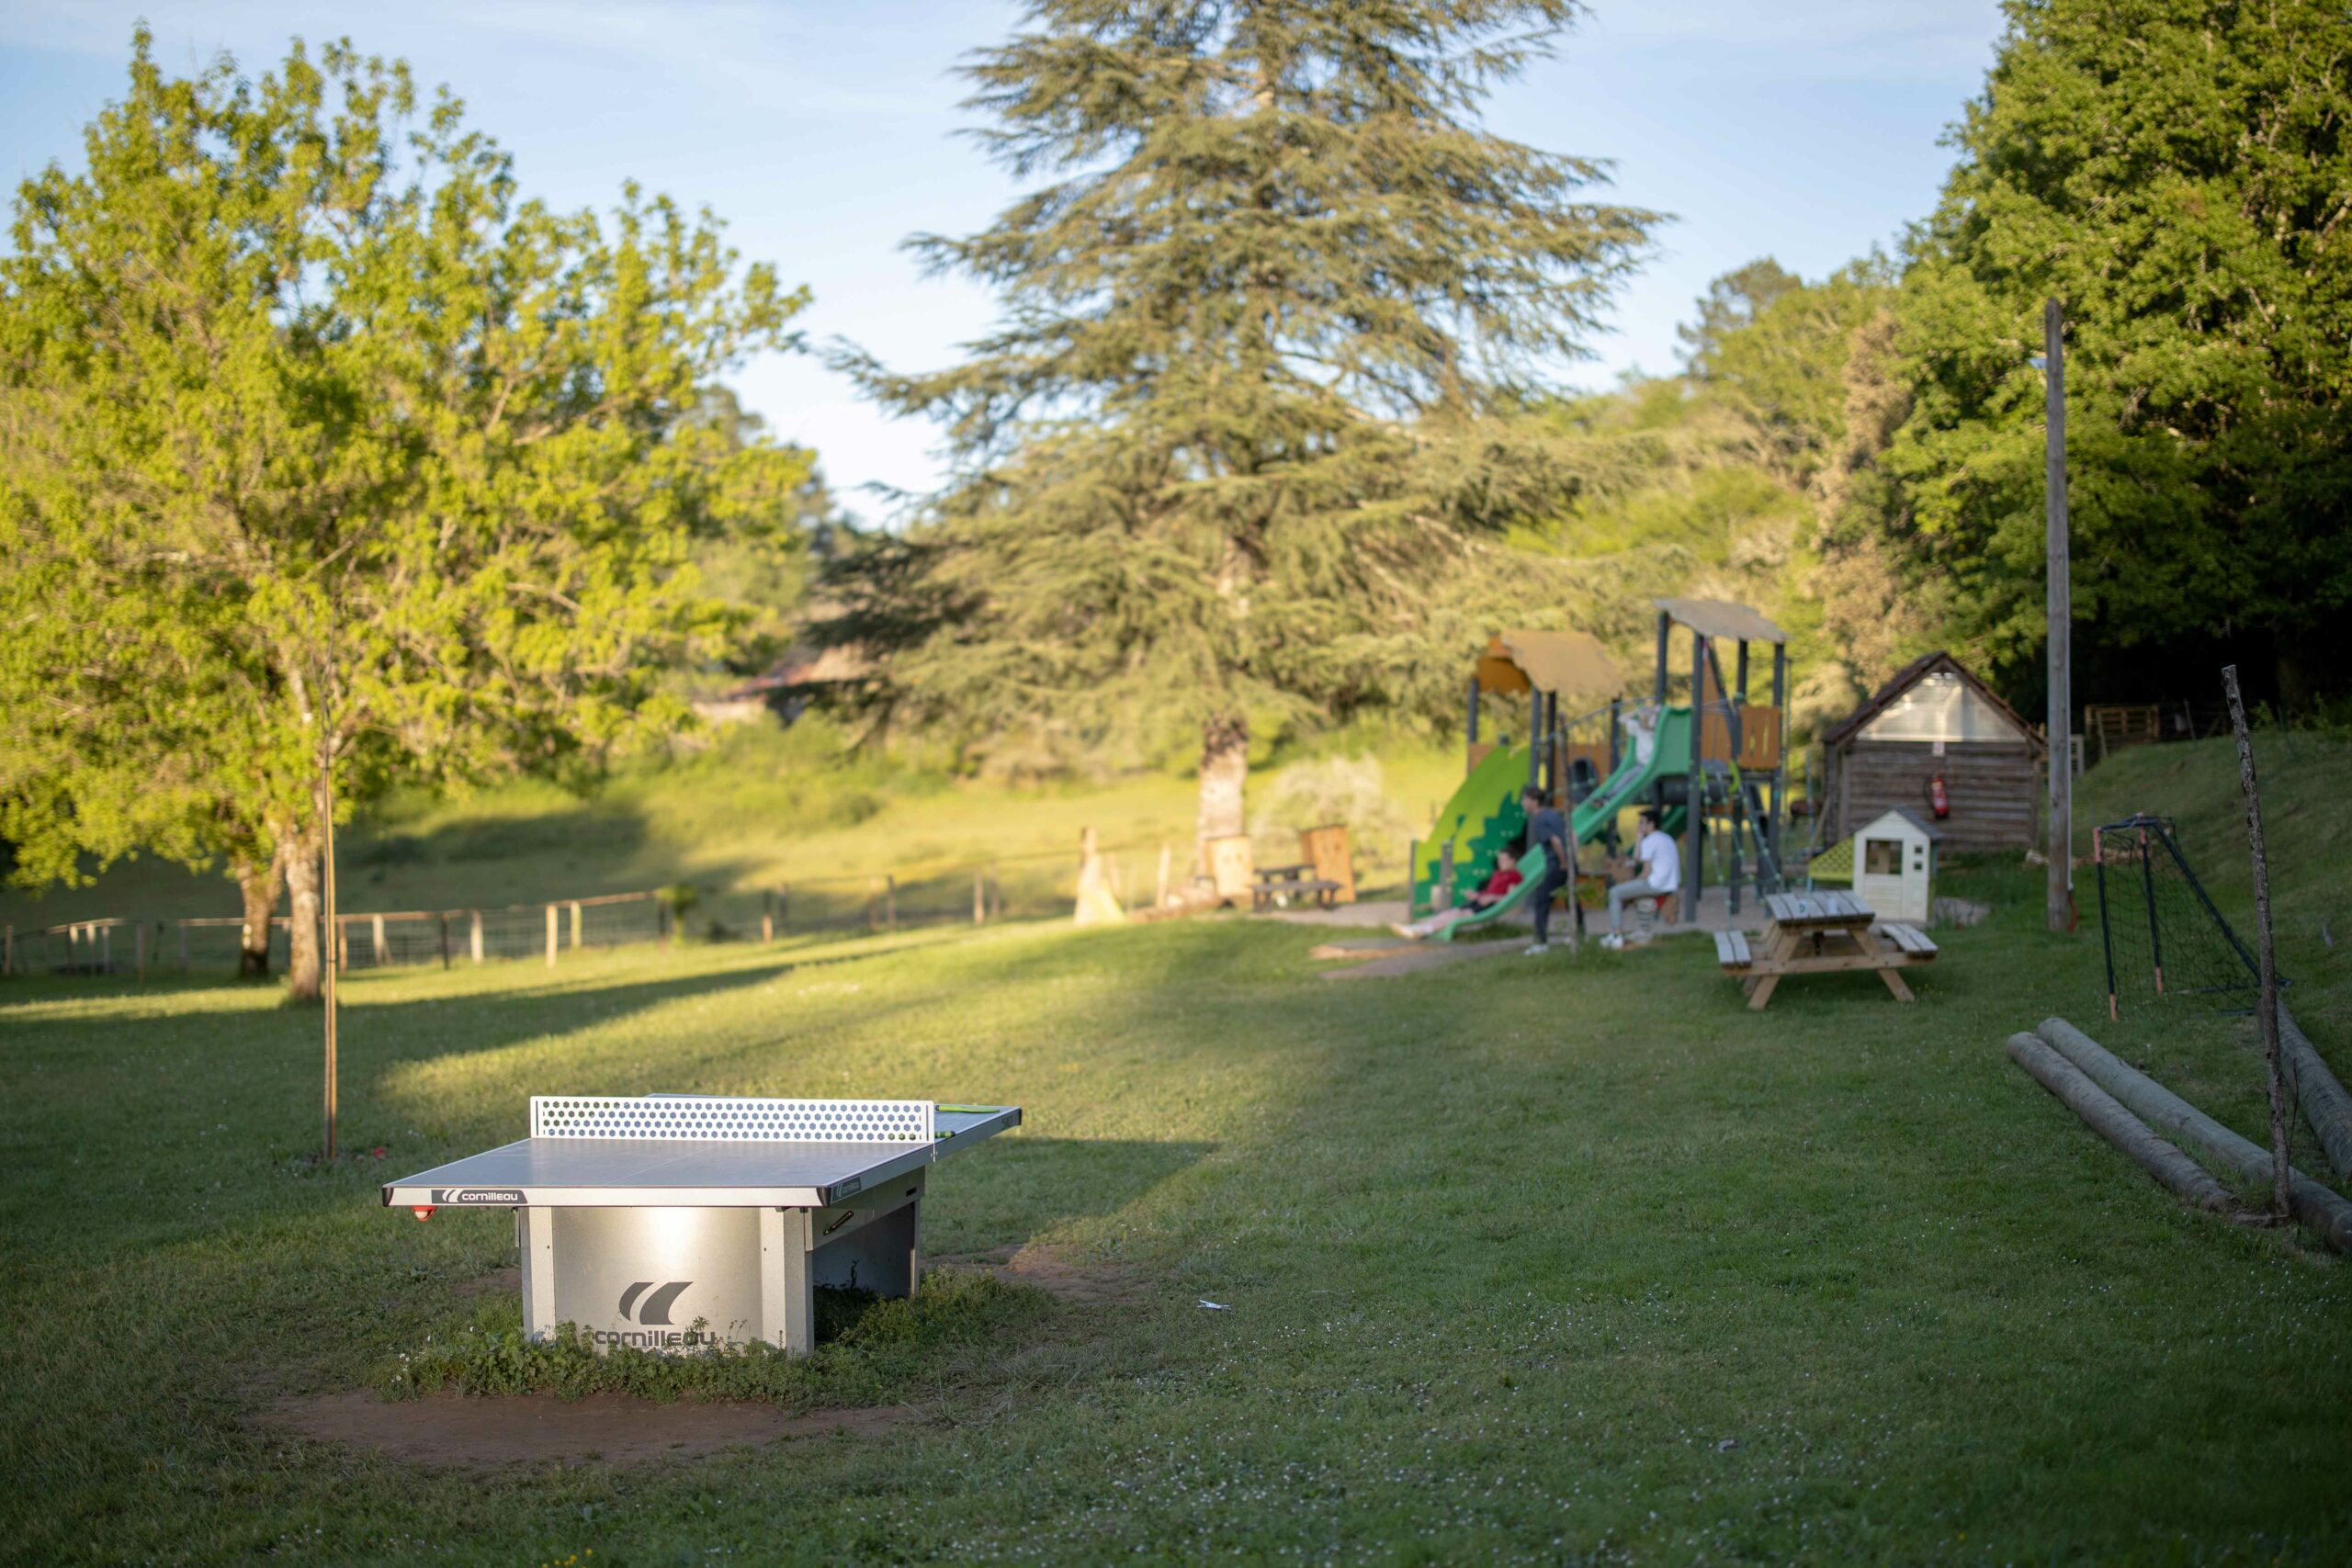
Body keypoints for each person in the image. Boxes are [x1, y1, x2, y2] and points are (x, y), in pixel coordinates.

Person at [1390, 850, 1523, 941]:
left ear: (1513, 861)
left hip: (1489, 905)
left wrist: (1492, 898)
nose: (1500, 863)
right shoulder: (1498, 873)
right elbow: (1490, 890)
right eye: (1499, 860)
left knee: (1456, 916)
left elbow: (1510, 897)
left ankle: (1422, 930)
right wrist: (1476, 895)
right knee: (1451, 913)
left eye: (1504, 860)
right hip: (1480, 901)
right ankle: (1416, 929)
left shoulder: (1514, 876)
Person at [1602, 807, 1680, 949]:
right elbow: (1637, 859)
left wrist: (1633, 883)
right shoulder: (1665, 838)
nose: (1639, 825)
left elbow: (1645, 872)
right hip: (1670, 884)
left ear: (1651, 825)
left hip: (1656, 885)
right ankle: (1634, 932)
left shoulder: (1650, 841)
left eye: (1642, 822)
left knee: (1614, 892)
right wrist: (1639, 838)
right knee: (1626, 890)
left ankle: (1616, 934)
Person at [1521, 785, 1572, 955]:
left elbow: (1555, 840)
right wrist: (1572, 859)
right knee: (1570, 897)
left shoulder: (1540, 819)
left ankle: (1541, 942)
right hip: (1568, 862)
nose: (1523, 803)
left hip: (1558, 864)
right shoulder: (1553, 814)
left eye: (1525, 800)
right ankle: (1579, 935)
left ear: (1534, 802)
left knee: (1542, 900)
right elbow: (1572, 834)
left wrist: (1563, 862)